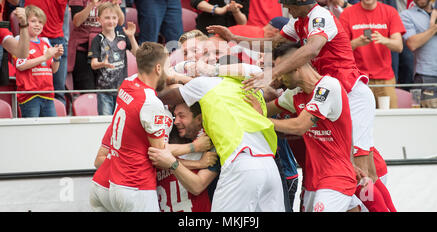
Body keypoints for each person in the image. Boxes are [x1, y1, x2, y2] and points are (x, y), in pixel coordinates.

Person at [207, 0, 379, 194]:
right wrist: (234, 38)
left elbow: (312, 49)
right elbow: (273, 43)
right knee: (351, 167)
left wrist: (273, 73)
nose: (285, 8)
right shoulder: (298, 21)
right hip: (328, 92)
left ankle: (373, 203)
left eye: (288, 2)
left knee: (360, 166)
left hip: (350, 91)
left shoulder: (320, 16)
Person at [246, 41, 357, 212]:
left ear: (296, 67)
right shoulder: (295, 94)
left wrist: (259, 120)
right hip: (312, 180)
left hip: (336, 177)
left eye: (280, 70)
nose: (277, 77)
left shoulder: (327, 87)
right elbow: (263, 111)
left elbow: (300, 126)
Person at [158, 65, 285, 212]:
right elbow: (260, 76)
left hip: (241, 162)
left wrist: (174, 76)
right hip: (270, 166)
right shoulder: (254, 88)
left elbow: (163, 97)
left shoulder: (205, 85)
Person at [108, 41, 170, 212]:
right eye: (167, 67)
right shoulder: (151, 102)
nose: (169, 72)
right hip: (137, 187)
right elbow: (160, 156)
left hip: (116, 184)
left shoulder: (127, 83)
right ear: (158, 68)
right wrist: (193, 147)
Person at [339, 0, 405, 109]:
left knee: (390, 120)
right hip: (358, 79)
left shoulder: (390, 12)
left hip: (385, 79)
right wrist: (357, 42)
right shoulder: (347, 14)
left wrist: (383, 40)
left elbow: (399, 46)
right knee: (360, 121)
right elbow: (340, 50)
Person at [149, 102, 220, 212]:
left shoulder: (211, 146)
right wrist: (196, 157)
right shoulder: (171, 138)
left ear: (199, 119)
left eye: (181, 116)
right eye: (175, 116)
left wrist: (171, 162)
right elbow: (156, 153)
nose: (176, 121)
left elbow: (197, 187)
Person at [69, 0, 124, 91]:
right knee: (88, 89)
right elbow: (76, 21)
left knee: (105, 90)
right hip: (82, 48)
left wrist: (116, 6)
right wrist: (91, 5)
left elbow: (120, 22)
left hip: (105, 47)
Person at [13, 6, 64, 117]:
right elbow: (21, 65)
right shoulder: (19, 40)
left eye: (40, 22)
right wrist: (45, 57)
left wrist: (56, 57)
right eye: (33, 21)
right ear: (25, 22)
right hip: (30, 96)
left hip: (48, 94)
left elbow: (54, 70)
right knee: (32, 132)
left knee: (51, 130)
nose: (37, 25)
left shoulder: (45, 42)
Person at [89, 2, 138, 116]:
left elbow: (137, 53)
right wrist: (103, 64)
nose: (111, 21)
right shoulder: (97, 40)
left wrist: (131, 36)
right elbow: (93, 64)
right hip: (104, 91)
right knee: (106, 123)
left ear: (118, 19)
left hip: (122, 90)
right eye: (106, 18)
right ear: (99, 19)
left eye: (114, 18)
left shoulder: (122, 36)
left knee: (121, 120)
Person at [400, 0, 437, 108]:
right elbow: (412, 43)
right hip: (424, 77)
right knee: (426, 118)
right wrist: (433, 28)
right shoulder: (406, 15)